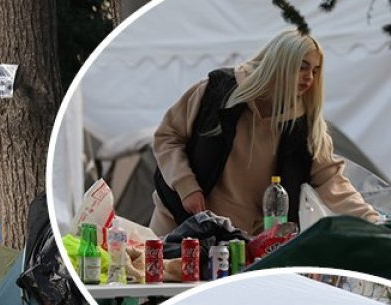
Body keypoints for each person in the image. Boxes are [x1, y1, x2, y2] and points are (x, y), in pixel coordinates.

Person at [150, 28, 379, 236]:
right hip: (180, 220)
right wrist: (186, 187)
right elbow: (167, 138)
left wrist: (372, 220)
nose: (310, 78)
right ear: (279, 64)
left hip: (247, 239)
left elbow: (332, 180)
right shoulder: (215, 92)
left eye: (316, 70)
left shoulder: (305, 126)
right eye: (302, 66)